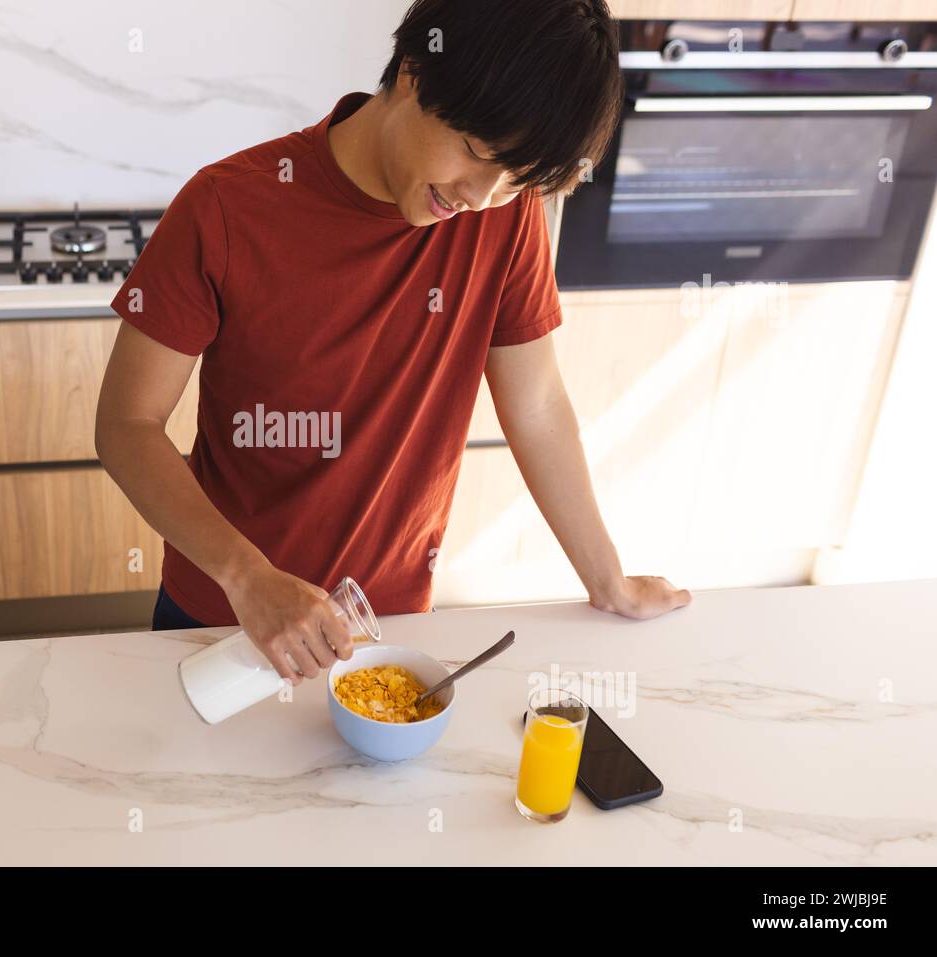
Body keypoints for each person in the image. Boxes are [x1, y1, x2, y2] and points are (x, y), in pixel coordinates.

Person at [96, 0, 692, 688]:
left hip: (391, 627)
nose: (480, 196)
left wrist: (607, 577)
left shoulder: (505, 215)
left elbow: (536, 403)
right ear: (413, 71)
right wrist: (247, 575)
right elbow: (126, 425)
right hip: (225, 617)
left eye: (518, 178)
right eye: (476, 153)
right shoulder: (226, 207)